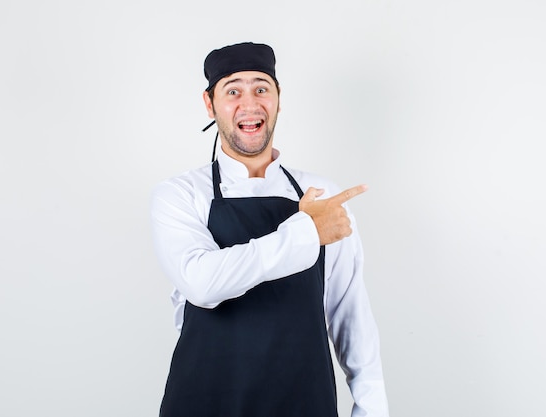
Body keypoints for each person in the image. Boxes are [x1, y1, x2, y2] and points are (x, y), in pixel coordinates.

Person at [151, 42, 389, 417]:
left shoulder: (323, 194)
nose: (249, 104)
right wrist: (307, 232)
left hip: (303, 402)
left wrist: (371, 410)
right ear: (210, 104)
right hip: (203, 402)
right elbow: (202, 283)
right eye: (233, 91)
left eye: (262, 88)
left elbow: (350, 316)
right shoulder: (181, 194)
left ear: (278, 100)